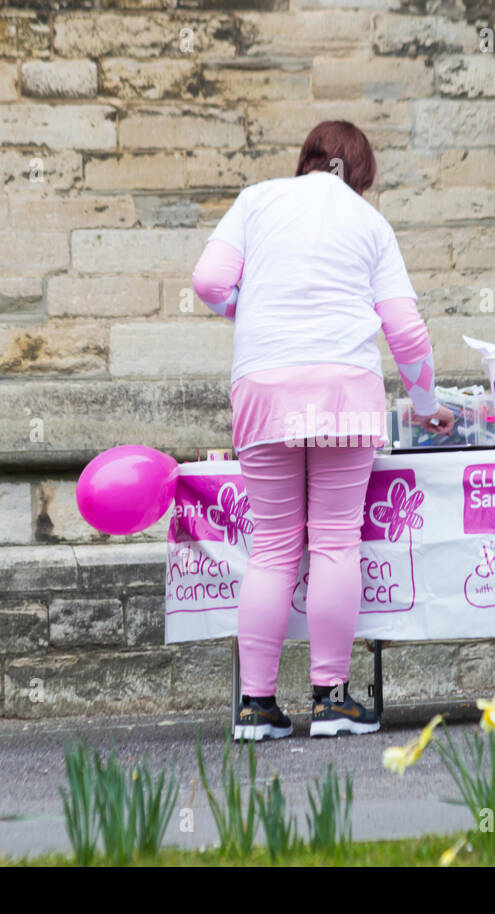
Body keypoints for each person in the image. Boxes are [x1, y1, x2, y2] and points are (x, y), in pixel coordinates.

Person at [191, 120, 453, 741]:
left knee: (274, 547)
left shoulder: (256, 200)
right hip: (344, 390)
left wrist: (245, 307)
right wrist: (423, 401)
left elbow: (207, 282)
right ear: (361, 175)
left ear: (306, 159)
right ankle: (332, 700)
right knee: (335, 542)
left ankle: (255, 708)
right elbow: (406, 330)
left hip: (263, 390)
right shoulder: (370, 224)